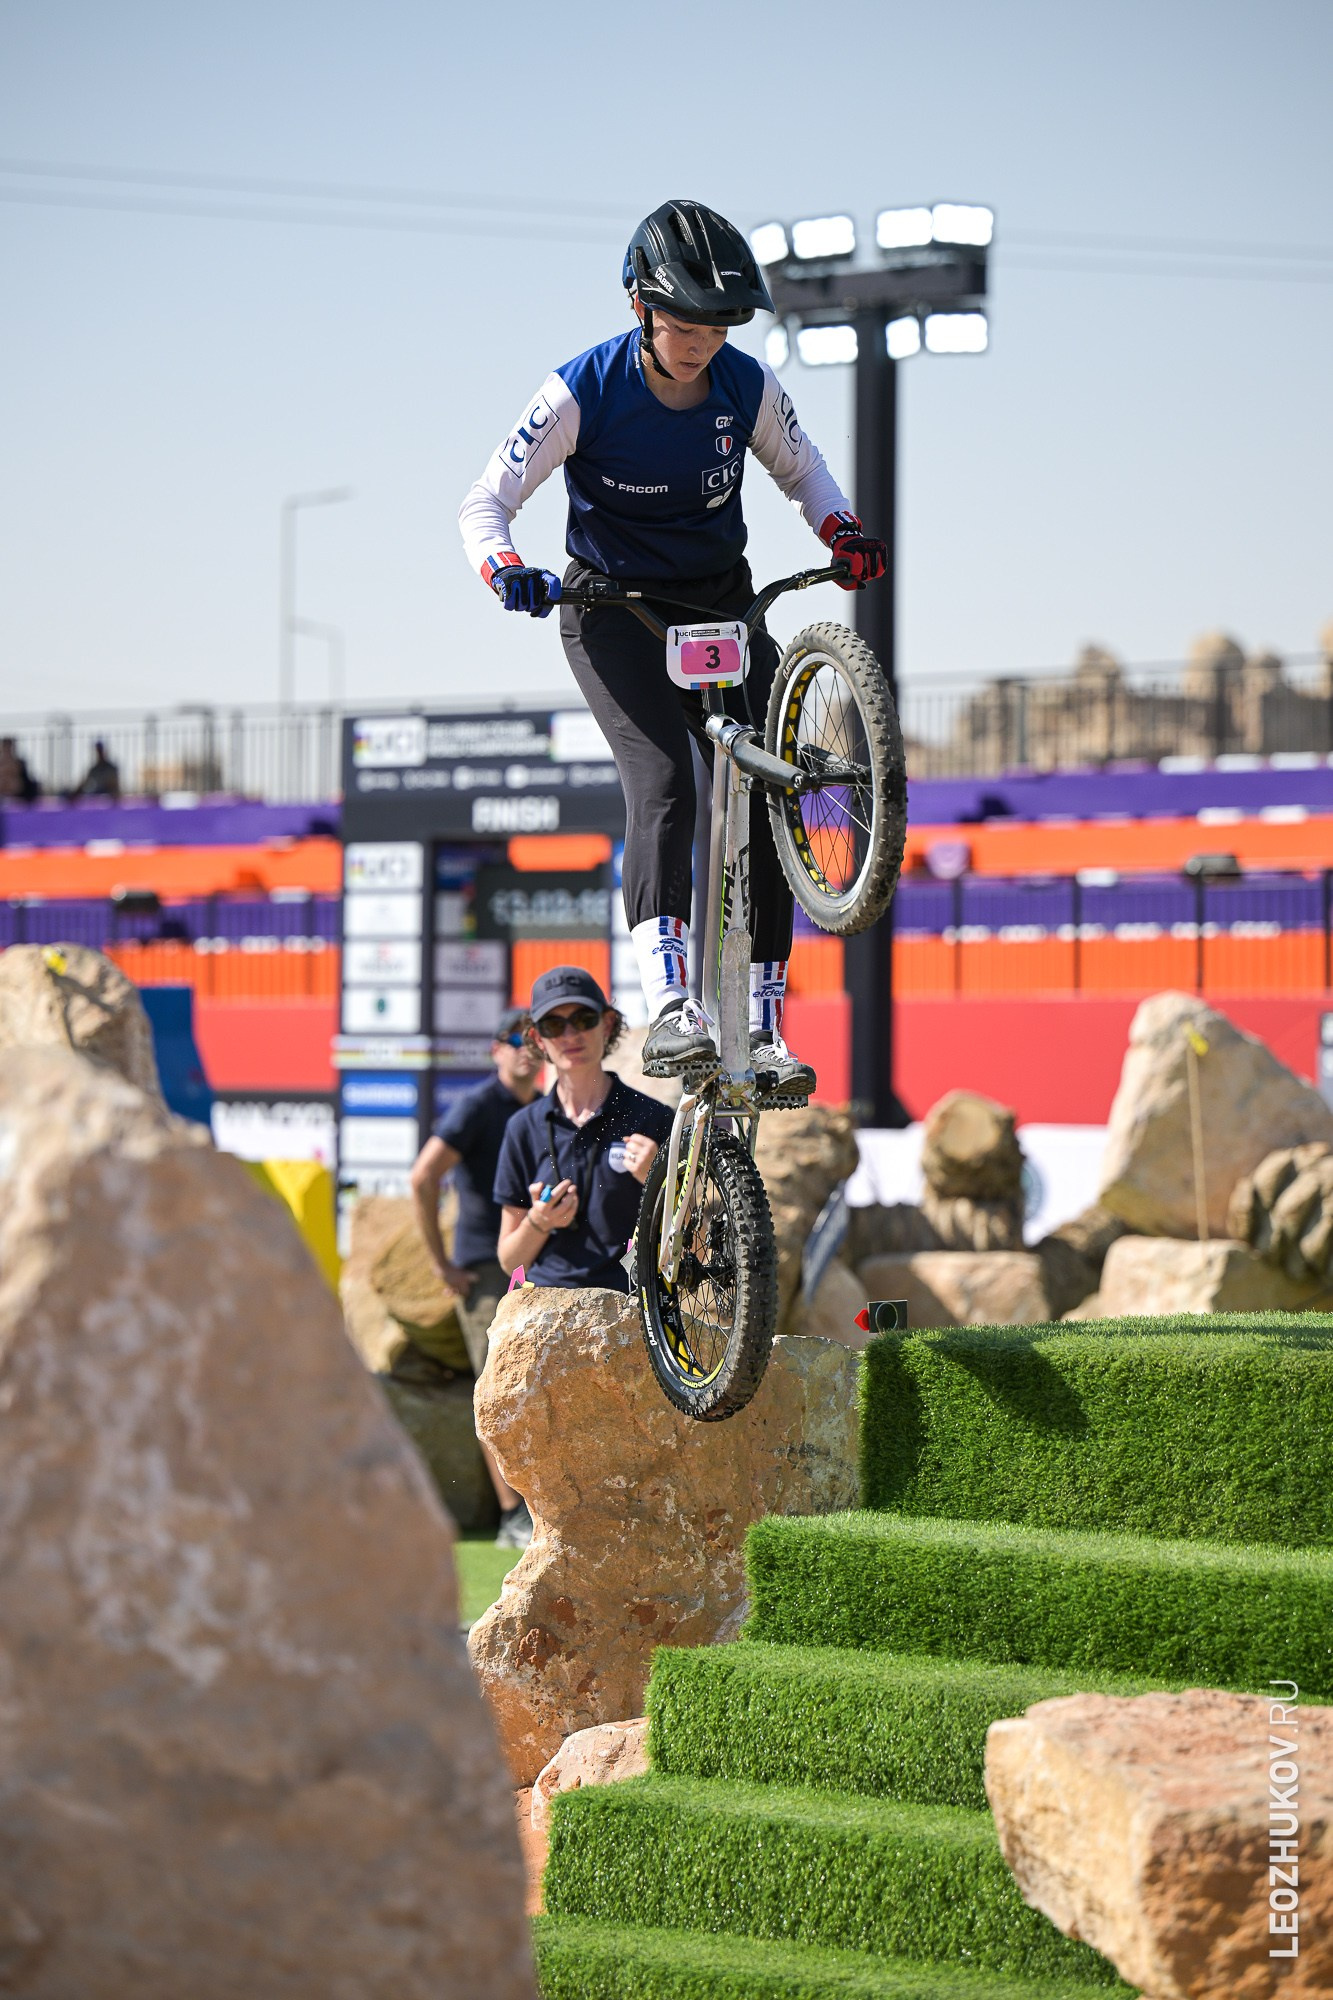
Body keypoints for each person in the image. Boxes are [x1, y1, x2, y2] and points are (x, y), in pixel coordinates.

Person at [459, 198, 887, 1101]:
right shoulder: (580, 390)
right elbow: (483, 503)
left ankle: (765, 1024)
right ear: (640, 309)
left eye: (717, 326)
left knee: (772, 779)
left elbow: (803, 470)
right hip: (613, 613)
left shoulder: (746, 386)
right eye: (684, 324)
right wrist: (508, 571)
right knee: (664, 781)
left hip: (718, 606)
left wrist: (840, 530)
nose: (700, 343)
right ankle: (671, 1005)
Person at [410, 1005, 543, 1548]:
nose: (526, 1048)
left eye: (536, 1039)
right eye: (515, 1039)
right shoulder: (477, 1107)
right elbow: (422, 1177)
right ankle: (512, 1516)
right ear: (495, 1049)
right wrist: (442, 1264)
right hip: (484, 1272)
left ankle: (538, 1511)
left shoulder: (542, 1108)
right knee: (497, 1393)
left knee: (539, 1392)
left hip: (535, 1264)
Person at [494, 966, 672, 1293]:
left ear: (606, 1024)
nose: (570, 1035)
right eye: (553, 1025)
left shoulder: (654, 1119)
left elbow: (692, 1245)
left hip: (633, 1311)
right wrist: (540, 1221)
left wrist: (659, 1182)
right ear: (538, 1039)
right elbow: (510, 1261)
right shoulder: (523, 1127)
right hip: (548, 1314)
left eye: (583, 1019)